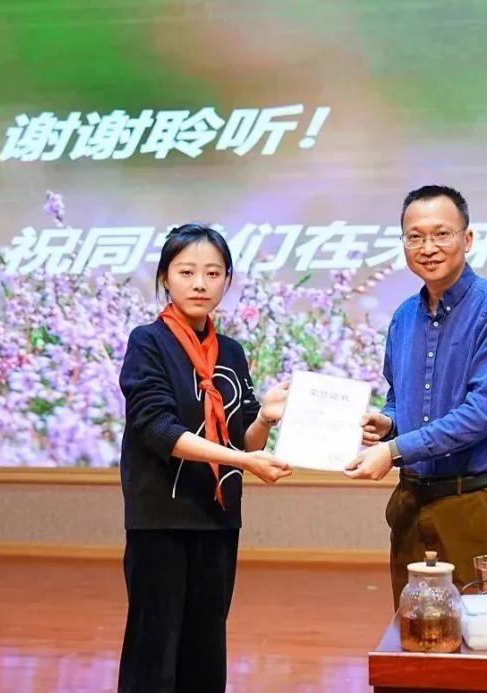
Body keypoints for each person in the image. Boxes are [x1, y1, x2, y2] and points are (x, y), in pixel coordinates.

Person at [117, 223, 292, 693]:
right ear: (165, 277)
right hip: (160, 518)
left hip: (218, 518)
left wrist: (266, 418)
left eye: (213, 273)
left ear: (227, 280)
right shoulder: (148, 342)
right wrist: (243, 462)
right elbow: (159, 430)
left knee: (206, 647)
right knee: (154, 648)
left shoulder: (230, 351)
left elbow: (245, 440)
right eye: (187, 272)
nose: (200, 284)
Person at [344, 185, 487, 606]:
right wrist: (389, 422)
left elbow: (482, 412)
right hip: (412, 502)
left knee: (481, 633)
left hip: (474, 504)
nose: (428, 248)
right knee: (413, 632)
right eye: (415, 237)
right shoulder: (403, 317)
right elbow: (398, 396)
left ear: (467, 238)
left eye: (441, 234)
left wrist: (394, 450)